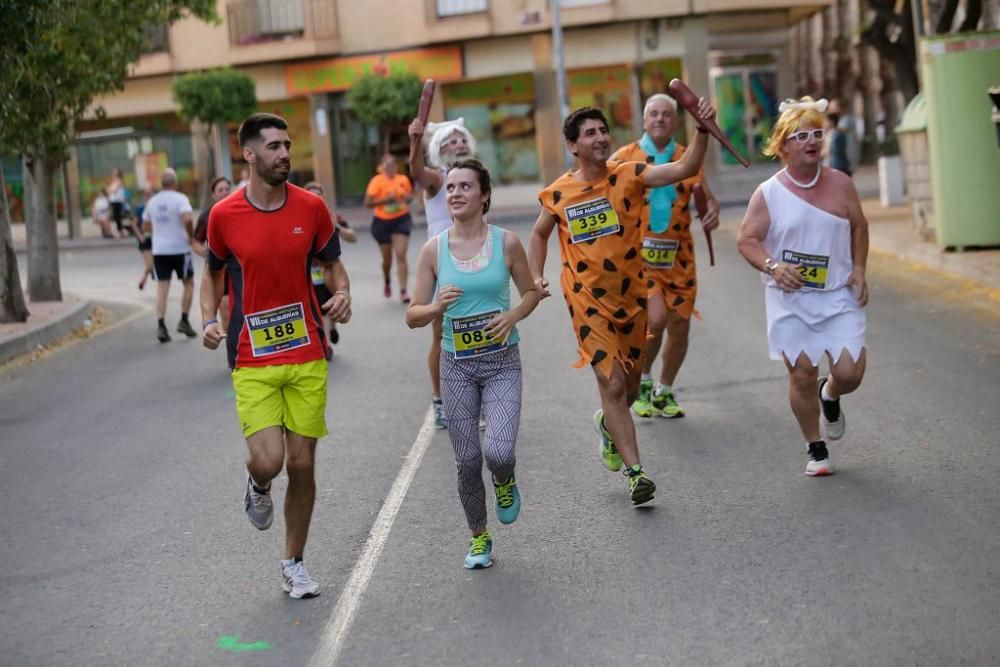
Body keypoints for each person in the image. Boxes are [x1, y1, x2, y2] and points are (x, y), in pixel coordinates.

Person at [528, 101, 715, 505]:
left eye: (603, 130)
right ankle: (636, 473)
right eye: (589, 133)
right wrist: (536, 275)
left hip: (633, 297)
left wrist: (701, 131)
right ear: (573, 145)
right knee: (611, 383)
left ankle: (609, 426)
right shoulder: (560, 191)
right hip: (587, 301)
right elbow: (539, 234)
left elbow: (682, 170)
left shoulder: (629, 174)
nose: (599, 138)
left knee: (629, 388)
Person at [201, 113, 352, 599]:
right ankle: (258, 484)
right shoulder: (224, 215)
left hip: (307, 349)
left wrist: (343, 295)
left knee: (302, 463)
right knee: (269, 461)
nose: (285, 153)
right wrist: (209, 318)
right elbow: (213, 274)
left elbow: (333, 266)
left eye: (287, 145)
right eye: (273, 147)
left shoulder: (311, 208)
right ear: (249, 154)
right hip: (252, 355)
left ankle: (294, 563)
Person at [406, 158, 539, 569]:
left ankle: (504, 480)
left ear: (484, 196)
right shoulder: (434, 249)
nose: (456, 194)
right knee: (466, 461)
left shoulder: (507, 243)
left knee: (498, 451)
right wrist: (434, 307)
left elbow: (531, 292)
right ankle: (479, 536)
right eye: (450, 188)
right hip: (457, 366)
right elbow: (412, 315)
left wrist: (512, 315)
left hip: (502, 362)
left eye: (465, 187)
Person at [736, 97, 869, 476]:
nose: (811, 141)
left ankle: (832, 395)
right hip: (790, 298)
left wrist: (859, 268)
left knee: (850, 373)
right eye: (800, 135)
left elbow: (860, 226)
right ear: (782, 146)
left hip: (838, 293)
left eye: (816, 133)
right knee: (801, 374)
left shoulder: (841, 184)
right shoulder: (769, 193)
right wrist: (773, 266)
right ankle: (815, 447)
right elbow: (747, 240)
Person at [612, 94, 721, 419]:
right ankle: (643, 381)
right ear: (644, 120)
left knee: (680, 326)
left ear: (675, 121)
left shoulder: (687, 157)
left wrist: (712, 213)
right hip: (639, 259)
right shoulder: (624, 158)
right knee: (655, 320)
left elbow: (707, 201)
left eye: (666, 114)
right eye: (653, 114)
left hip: (679, 258)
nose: (660, 119)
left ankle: (664, 390)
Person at [408, 116, 477, 428]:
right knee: (442, 333)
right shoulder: (437, 179)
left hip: (475, 260)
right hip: (443, 263)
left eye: (462, 139)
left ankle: (478, 396)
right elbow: (416, 172)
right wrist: (414, 141)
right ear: (439, 148)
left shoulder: (477, 180)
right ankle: (440, 399)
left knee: (479, 328)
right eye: (452, 140)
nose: (459, 144)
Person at [142, 168, 197, 343]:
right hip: (180, 248)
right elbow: (187, 219)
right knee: (188, 284)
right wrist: (190, 236)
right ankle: (184, 320)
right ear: (175, 182)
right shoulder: (181, 199)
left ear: (161, 183)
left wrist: (159, 231)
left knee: (162, 288)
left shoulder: (152, 202)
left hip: (160, 250)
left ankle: (161, 325)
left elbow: (146, 225)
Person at [304, 181, 357, 357]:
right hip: (309, 269)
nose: (315, 198)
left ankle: (332, 328)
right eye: (311, 194)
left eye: (318, 194)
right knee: (321, 308)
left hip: (331, 268)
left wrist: (338, 228)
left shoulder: (333, 216)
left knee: (334, 303)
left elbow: (353, 237)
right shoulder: (300, 217)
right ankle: (326, 345)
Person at [365, 154, 414, 303]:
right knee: (387, 260)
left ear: (396, 166)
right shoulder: (376, 181)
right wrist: (387, 200)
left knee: (400, 254)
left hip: (401, 219)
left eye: (393, 164)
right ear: (381, 167)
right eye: (387, 165)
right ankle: (387, 280)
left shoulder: (402, 180)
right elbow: (367, 203)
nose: (390, 167)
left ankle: (403, 291)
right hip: (382, 222)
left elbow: (410, 198)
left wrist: (404, 197)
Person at [193, 176, 232, 329]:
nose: (225, 192)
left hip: (243, 270)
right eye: (220, 190)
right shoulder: (207, 216)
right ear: (214, 195)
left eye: (227, 189)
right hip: (221, 272)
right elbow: (195, 242)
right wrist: (210, 255)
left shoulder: (242, 211)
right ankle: (232, 349)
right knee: (226, 313)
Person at [130, 187, 154, 290]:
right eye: (146, 194)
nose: (148, 196)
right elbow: (133, 224)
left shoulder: (155, 207)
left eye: (150, 194)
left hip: (156, 240)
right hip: (145, 240)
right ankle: (144, 279)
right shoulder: (141, 208)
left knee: (156, 264)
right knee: (149, 265)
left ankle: (157, 280)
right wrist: (140, 236)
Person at [824, 112, 852, 176]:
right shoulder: (828, 134)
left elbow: (843, 150)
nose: (824, 124)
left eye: (826, 121)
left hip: (838, 164)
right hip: (830, 163)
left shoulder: (837, 135)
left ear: (832, 122)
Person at [108, 168, 130, 237]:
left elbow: (113, 190)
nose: (114, 174)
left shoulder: (119, 181)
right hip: (113, 200)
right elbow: (109, 190)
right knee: (116, 216)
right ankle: (121, 231)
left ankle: (121, 231)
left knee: (117, 216)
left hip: (118, 201)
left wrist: (111, 190)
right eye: (113, 172)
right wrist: (110, 190)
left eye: (115, 172)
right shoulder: (113, 182)